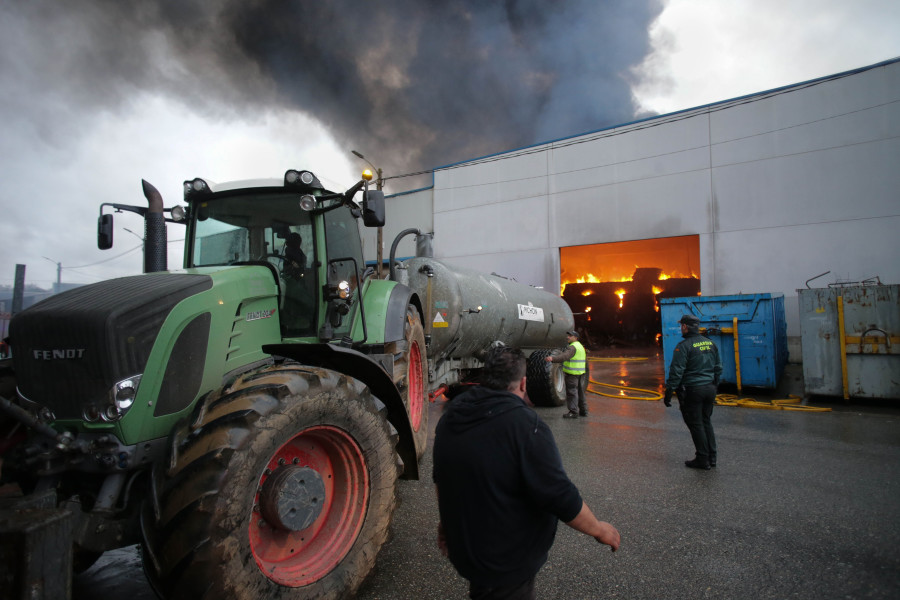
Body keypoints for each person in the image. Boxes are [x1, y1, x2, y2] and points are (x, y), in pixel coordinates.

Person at [433, 346, 620, 600]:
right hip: (508, 561)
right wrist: (599, 529)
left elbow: (442, 477)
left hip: (467, 550)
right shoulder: (525, 426)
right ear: (523, 383)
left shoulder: (452, 415)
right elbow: (559, 495)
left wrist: (447, 525)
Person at [664, 314, 723, 470]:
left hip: (693, 390)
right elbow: (718, 367)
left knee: (696, 424)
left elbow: (677, 371)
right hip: (710, 388)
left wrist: (669, 391)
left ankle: (702, 459)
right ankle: (712, 457)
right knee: (706, 421)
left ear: (685, 327)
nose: (680, 328)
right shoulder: (710, 343)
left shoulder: (683, 346)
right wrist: (714, 385)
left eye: (681, 326)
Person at [545, 330, 588, 418]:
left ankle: (573, 412)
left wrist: (553, 358)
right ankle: (584, 411)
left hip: (572, 374)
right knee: (580, 392)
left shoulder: (572, 347)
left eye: (570, 336)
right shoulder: (580, 346)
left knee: (572, 392)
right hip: (580, 373)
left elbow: (565, 356)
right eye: (568, 335)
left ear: (575, 338)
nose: (567, 337)